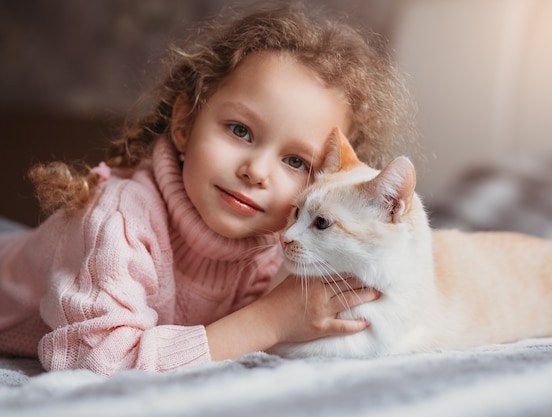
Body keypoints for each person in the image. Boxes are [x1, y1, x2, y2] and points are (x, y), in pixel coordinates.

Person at [0, 2, 417, 376]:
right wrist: (269, 319)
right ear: (185, 124)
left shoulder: (281, 245)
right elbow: (98, 361)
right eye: (240, 130)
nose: (256, 171)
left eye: (295, 162)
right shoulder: (119, 221)